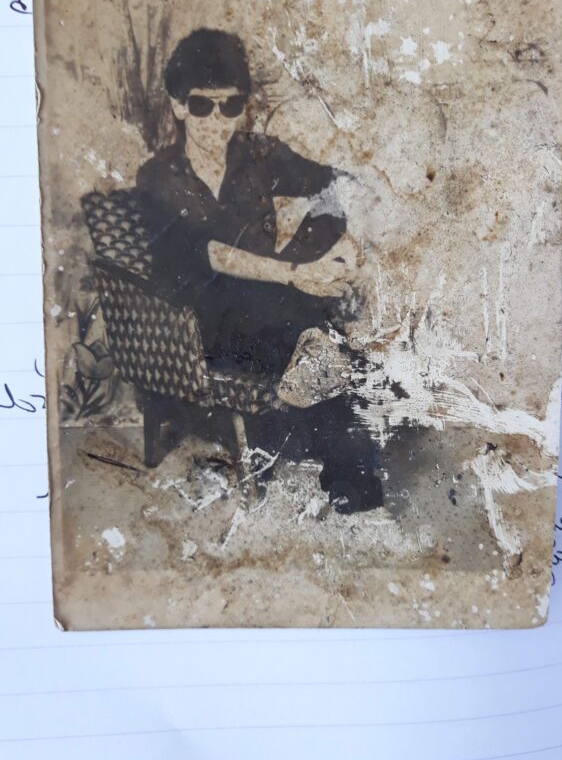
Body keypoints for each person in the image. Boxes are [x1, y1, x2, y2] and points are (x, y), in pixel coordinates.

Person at [136, 28, 383, 513]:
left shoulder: (256, 155)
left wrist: (329, 251)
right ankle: (349, 453)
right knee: (319, 338)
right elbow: (206, 254)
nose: (216, 121)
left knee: (311, 332)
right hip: (197, 324)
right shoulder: (159, 177)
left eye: (230, 106)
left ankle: (346, 462)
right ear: (179, 105)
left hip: (266, 303)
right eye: (202, 106)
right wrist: (296, 273)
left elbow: (340, 185)